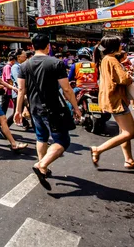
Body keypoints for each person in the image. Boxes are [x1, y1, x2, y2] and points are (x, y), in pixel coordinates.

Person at [16, 34, 81, 190]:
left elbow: (21, 90)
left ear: (32, 47)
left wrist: (18, 110)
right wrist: (76, 107)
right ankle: (42, 164)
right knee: (63, 141)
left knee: (41, 137)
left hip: (34, 108)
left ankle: (43, 169)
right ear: (48, 46)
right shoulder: (56, 63)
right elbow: (66, 89)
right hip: (53, 108)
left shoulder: (24, 65)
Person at [90, 36, 134, 170]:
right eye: (120, 44)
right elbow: (124, 79)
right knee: (130, 132)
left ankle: (129, 160)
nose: (122, 46)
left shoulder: (105, 59)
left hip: (111, 98)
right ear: (114, 46)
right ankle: (98, 149)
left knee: (124, 131)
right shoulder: (112, 60)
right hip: (117, 100)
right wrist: (128, 74)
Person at [1, 53, 16, 117]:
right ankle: (1, 121)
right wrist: (13, 87)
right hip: (7, 90)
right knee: (4, 106)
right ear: (13, 60)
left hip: (9, 90)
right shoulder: (8, 67)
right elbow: (9, 79)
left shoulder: (9, 66)